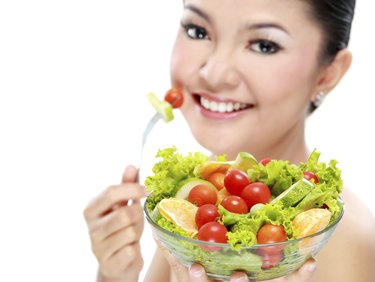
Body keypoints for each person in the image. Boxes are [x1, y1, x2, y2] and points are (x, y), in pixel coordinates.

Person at [84, 0, 375, 281]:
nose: (214, 73)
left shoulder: (346, 245)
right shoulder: (197, 204)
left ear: (328, 74)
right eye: (198, 31)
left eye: (264, 45)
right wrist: (116, 276)